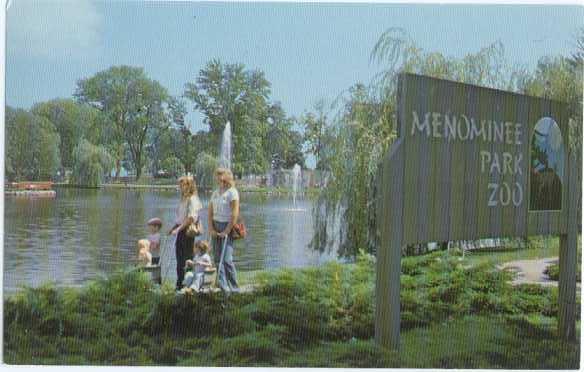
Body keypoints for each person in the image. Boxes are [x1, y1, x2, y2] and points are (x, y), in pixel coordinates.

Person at [208, 168, 240, 293]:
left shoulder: (232, 192)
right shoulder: (216, 192)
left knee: (226, 259)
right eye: (217, 175)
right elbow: (210, 212)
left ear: (226, 177)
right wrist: (211, 228)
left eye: (220, 175)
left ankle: (234, 288)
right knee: (217, 258)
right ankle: (223, 286)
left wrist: (227, 230)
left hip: (227, 225)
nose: (218, 178)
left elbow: (234, 213)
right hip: (216, 224)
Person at [169, 175, 203, 291]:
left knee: (187, 258)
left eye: (183, 185)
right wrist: (173, 227)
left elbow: (191, 218)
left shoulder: (193, 199)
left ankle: (187, 284)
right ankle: (179, 284)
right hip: (180, 229)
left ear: (189, 186)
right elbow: (180, 217)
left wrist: (178, 229)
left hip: (187, 231)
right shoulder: (183, 199)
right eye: (180, 185)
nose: (181, 187)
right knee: (179, 259)